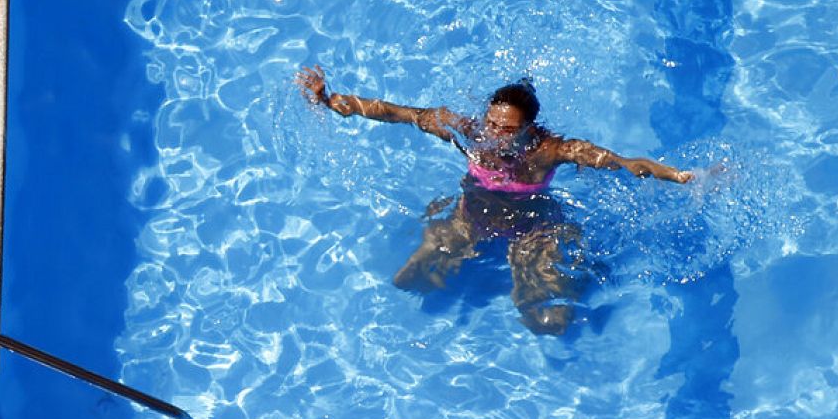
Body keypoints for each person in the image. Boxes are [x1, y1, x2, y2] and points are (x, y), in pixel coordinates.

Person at [294, 65, 693, 335]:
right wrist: (329, 101)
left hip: (534, 228)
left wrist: (680, 176)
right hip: (470, 216)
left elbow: (624, 164)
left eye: (508, 129)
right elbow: (397, 112)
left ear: (529, 128)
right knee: (409, 280)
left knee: (548, 320)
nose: (496, 135)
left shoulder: (551, 150)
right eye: (492, 123)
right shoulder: (467, 132)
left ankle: (580, 269)